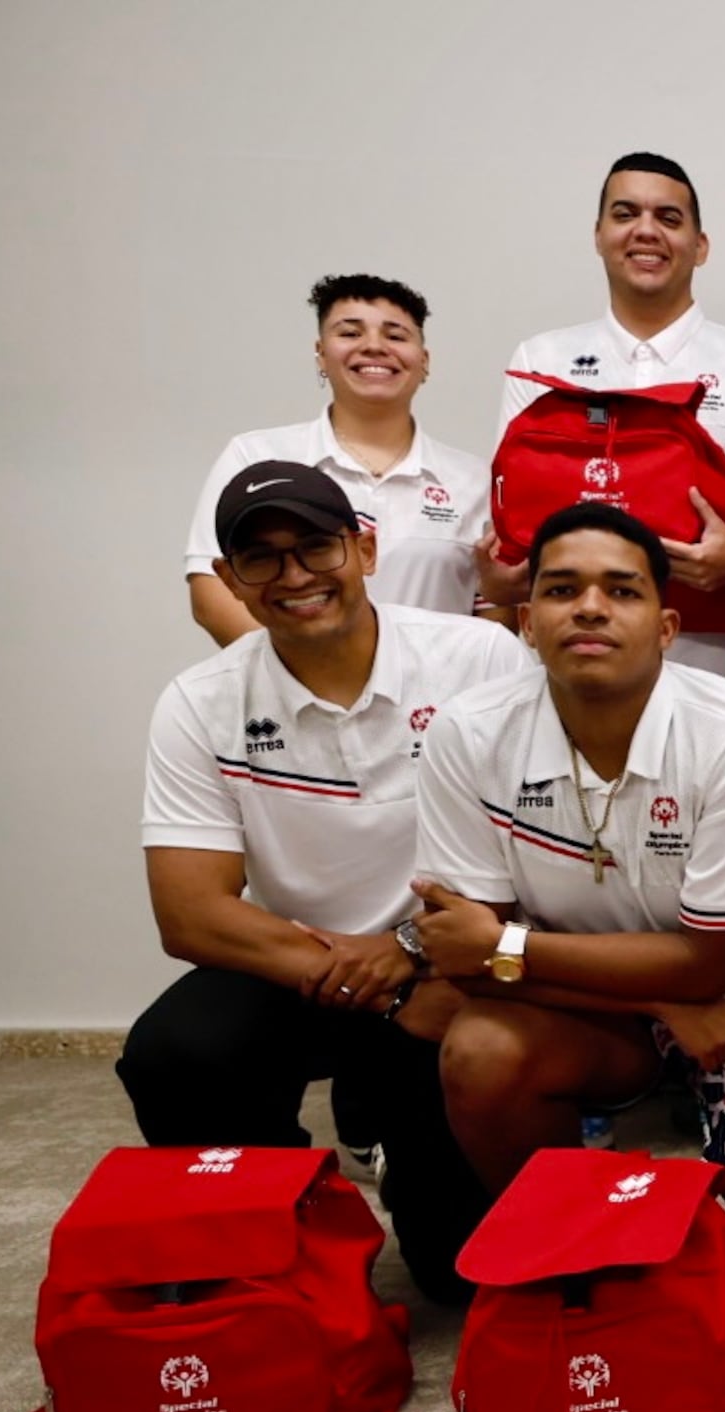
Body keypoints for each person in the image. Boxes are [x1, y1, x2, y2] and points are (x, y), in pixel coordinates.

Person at [413, 504, 725, 1310]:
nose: (589, 607)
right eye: (562, 589)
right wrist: (664, 998)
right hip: (607, 1011)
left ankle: (707, 1172)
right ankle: (580, 1250)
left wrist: (503, 949)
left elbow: (710, 965)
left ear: (665, 628)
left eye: (620, 591)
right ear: (526, 621)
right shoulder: (467, 732)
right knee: (481, 1051)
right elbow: (463, 959)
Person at [122, 462, 530, 1302]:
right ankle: (273, 1239)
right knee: (175, 1052)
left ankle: (400, 1135)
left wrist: (412, 953)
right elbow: (190, 914)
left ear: (365, 548)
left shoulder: (478, 655)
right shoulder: (200, 701)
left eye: (316, 546)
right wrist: (376, 979)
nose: (295, 576)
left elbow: (534, 846)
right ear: (231, 581)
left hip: (451, 970)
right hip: (310, 969)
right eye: (261, 559)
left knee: (459, 1277)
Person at [490, 152, 725, 694]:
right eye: (626, 213)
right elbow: (512, 511)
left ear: (700, 246)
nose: (646, 231)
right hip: (574, 659)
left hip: (718, 663)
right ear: (598, 234)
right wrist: (500, 580)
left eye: (669, 218)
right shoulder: (540, 358)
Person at [186, 276, 488, 644]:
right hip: (290, 696)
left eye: (396, 336)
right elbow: (211, 592)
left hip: (438, 698)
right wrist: (314, 676)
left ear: (424, 361)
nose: (374, 347)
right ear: (321, 354)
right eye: (349, 333)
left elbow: (491, 614)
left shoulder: (474, 481)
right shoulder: (256, 456)